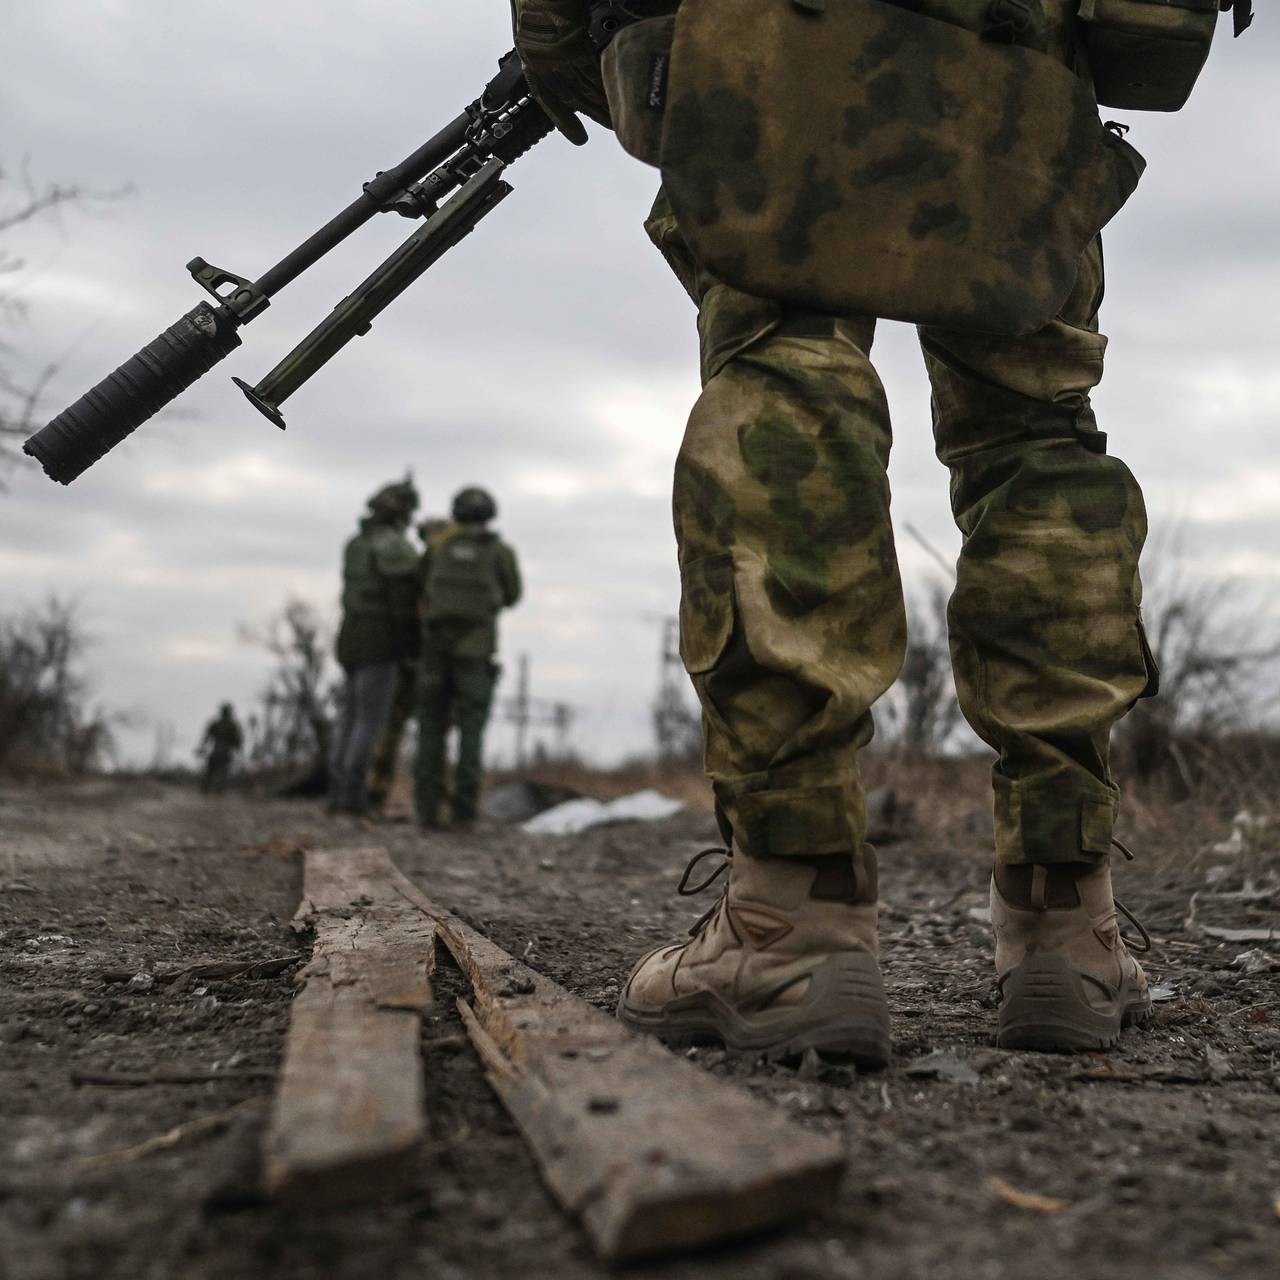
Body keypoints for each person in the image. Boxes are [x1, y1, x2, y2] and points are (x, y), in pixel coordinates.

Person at [512, 0, 1176, 1060]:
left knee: (788, 366)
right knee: (1037, 437)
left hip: (783, 35)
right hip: (1018, 56)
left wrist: (568, 48)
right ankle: (1066, 924)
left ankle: (791, 919)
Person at [415, 487, 521, 829]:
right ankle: (463, 815)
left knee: (430, 731)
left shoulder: (439, 544)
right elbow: (513, 595)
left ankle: (426, 813)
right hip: (475, 654)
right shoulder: (499, 551)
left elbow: (421, 585)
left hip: (434, 652)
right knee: (471, 735)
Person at [329, 478, 423, 815]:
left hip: (350, 634)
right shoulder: (393, 546)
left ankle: (338, 792)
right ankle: (353, 798)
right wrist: (409, 642)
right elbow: (402, 596)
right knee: (369, 720)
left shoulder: (356, 543)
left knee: (349, 718)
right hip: (378, 636)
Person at [366, 516, 453, 813]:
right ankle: (434, 800)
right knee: (433, 730)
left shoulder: (418, 567)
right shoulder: (443, 566)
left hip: (413, 658)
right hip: (436, 659)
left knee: (393, 728)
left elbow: (403, 613)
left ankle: (375, 794)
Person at [199, 703, 243, 795]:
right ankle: (215, 791)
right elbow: (237, 741)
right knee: (220, 772)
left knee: (214, 772)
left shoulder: (221, 724)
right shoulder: (231, 725)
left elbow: (207, 737)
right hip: (223, 751)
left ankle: (209, 790)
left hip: (219, 750)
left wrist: (202, 747)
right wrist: (239, 750)